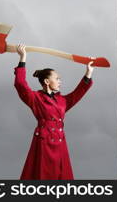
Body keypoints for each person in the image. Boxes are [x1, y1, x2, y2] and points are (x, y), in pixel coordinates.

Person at [14, 43, 95, 180]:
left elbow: (78, 93)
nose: (60, 81)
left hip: (60, 143)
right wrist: (23, 59)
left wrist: (88, 73)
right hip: (43, 142)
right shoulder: (35, 98)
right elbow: (20, 85)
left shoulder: (62, 100)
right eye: (57, 78)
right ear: (46, 81)